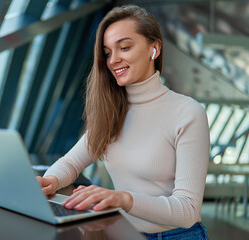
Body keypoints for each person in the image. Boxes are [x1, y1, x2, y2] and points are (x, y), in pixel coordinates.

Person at [37, 4, 209, 239]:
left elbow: (188, 210)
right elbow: (71, 163)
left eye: (125, 47)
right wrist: (50, 180)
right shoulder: (111, 111)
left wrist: (124, 199)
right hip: (124, 233)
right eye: (107, 52)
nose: (113, 60)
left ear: (154, 49)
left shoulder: (187, 112)